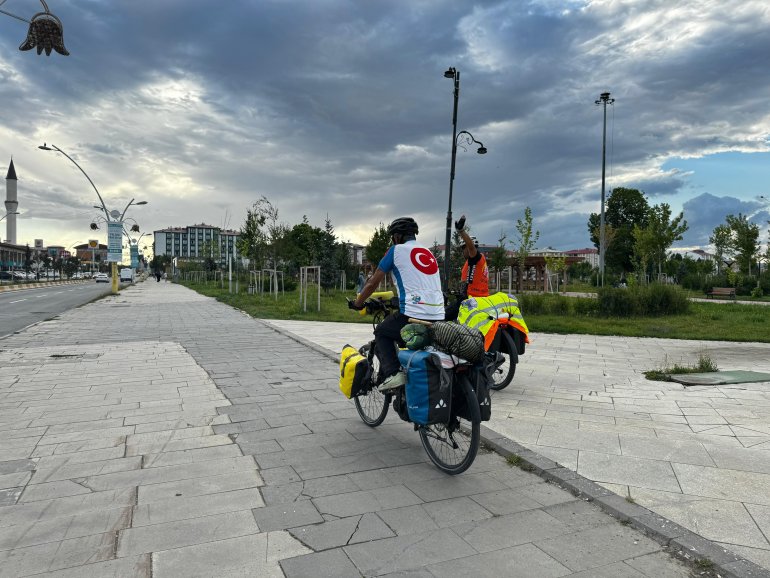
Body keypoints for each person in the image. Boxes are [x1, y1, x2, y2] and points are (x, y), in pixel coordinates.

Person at [349, 217, 444, 392]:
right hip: (439, 314)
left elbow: (372, 283)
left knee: (382, 332)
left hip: (413, 314)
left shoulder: (396, 251)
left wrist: (358, 303)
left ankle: (393, 374)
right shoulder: (428, 253)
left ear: (397, 237)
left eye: (393, 236)